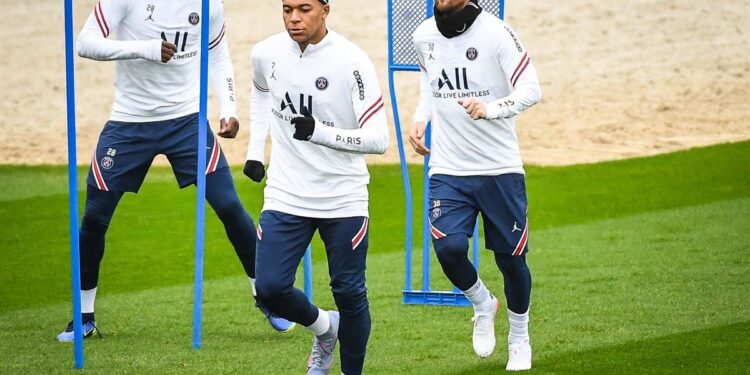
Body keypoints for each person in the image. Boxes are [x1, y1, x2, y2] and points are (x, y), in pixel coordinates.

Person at [56, 0, 294, 342]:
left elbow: (217, 56)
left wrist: (229, 109)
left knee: (228, 205)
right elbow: (86, 43)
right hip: (129, 119)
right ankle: (84, 317)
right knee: (94, 218)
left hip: (186, 120)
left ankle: (266, 296)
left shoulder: (209, 5)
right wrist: (147, 49)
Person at [243, 0, 389, 373]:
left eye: (304, 8)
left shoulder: (351, 61)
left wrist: (320, 133)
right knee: (270, 288)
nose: (294, 18)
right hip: (286, 193)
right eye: (287, 8)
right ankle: (325, 329)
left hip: (343, 197)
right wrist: (255, 151)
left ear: (326, 9)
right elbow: (260, 91)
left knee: (349, 292)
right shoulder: (266, 53)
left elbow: (378, 139)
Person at [409, 0, 542, 371]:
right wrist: (420, 119)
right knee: (449, 249)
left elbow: (532, 89)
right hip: (449, 167)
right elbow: (429, 84)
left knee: (511, 260)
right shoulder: (423, 35)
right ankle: (482, 302)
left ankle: (519, 337)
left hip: (500, 168)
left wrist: (491, 109)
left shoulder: (496, 32)